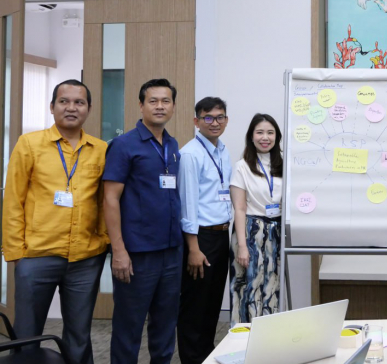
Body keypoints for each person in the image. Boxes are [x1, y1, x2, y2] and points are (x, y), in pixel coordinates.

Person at [2, 80, 107, 364]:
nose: (71, 107)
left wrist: (103, 240)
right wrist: (16, 254)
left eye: (79, 102)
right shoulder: (29, 144)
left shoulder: (100, 149)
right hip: (37, 255)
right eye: (64, 101)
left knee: (79, 334)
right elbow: (13, 200)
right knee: (27, 334)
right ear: (52, 107)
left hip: (86, 258)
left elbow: (104, 201)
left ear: (88, 108)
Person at [103, 78, 182, 364]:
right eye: (153, 101)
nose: (160, 106)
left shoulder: (172, 144)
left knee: (165, 326)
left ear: (173, 106)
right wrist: (119, 251)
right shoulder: (123, 145)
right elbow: (110, 199)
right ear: (141, 105)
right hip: (138, 253)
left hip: (171, 251)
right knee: (129, 327)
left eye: (166, 101)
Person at [177, 97, 233, 364]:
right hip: (200, 238)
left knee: (212, 303)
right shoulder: (190, 154)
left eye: (220, 117)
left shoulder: (223, 150)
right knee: (195, 306)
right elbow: (187, 204)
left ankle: (206, 356)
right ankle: (192, 359)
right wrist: (193, 248)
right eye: (208, 117)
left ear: (226, 120)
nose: (215, 122)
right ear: (196, 121)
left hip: (221, 235)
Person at [231, 113, 283, 324]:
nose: (265, 137)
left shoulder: (283, 165)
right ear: (251, 137)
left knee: (271, 286)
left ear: (277, 137)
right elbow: (239, 208)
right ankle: (245, 337)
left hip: (275, 232)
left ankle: (268, 337)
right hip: (249, 232)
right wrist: (242, 246)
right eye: (260, 132)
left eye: (270, 133)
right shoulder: (242, 167)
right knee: (248, 288)